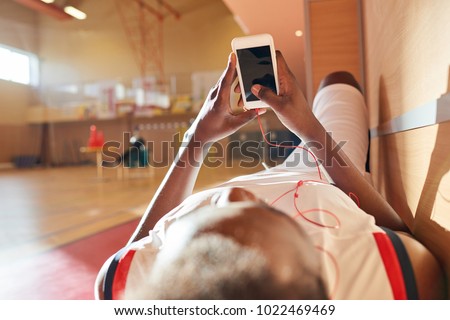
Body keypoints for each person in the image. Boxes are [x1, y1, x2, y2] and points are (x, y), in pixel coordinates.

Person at [95, 51, 446, 300]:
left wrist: (198, 138)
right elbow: (400, 233)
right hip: (321, 169)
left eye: (210, 219)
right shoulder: (398, 278)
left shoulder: (128, 289)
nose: (232, 194)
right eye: (262, 213)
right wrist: (309, 127)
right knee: (339, 80)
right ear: (317, 269)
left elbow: (133, 250)